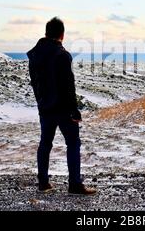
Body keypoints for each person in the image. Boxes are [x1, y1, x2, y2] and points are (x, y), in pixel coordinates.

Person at [27, 17, 96, 195]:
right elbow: (68, 85)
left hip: (44, 107)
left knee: (45, 143)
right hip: (63, 109)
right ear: (62, 35)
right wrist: (74, 110)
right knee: (73, 143)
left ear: (46, 33)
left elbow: (35, 83)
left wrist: (41, 102)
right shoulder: (62, 55)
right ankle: (74, 185)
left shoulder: (34, 55)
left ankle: (43, 183)